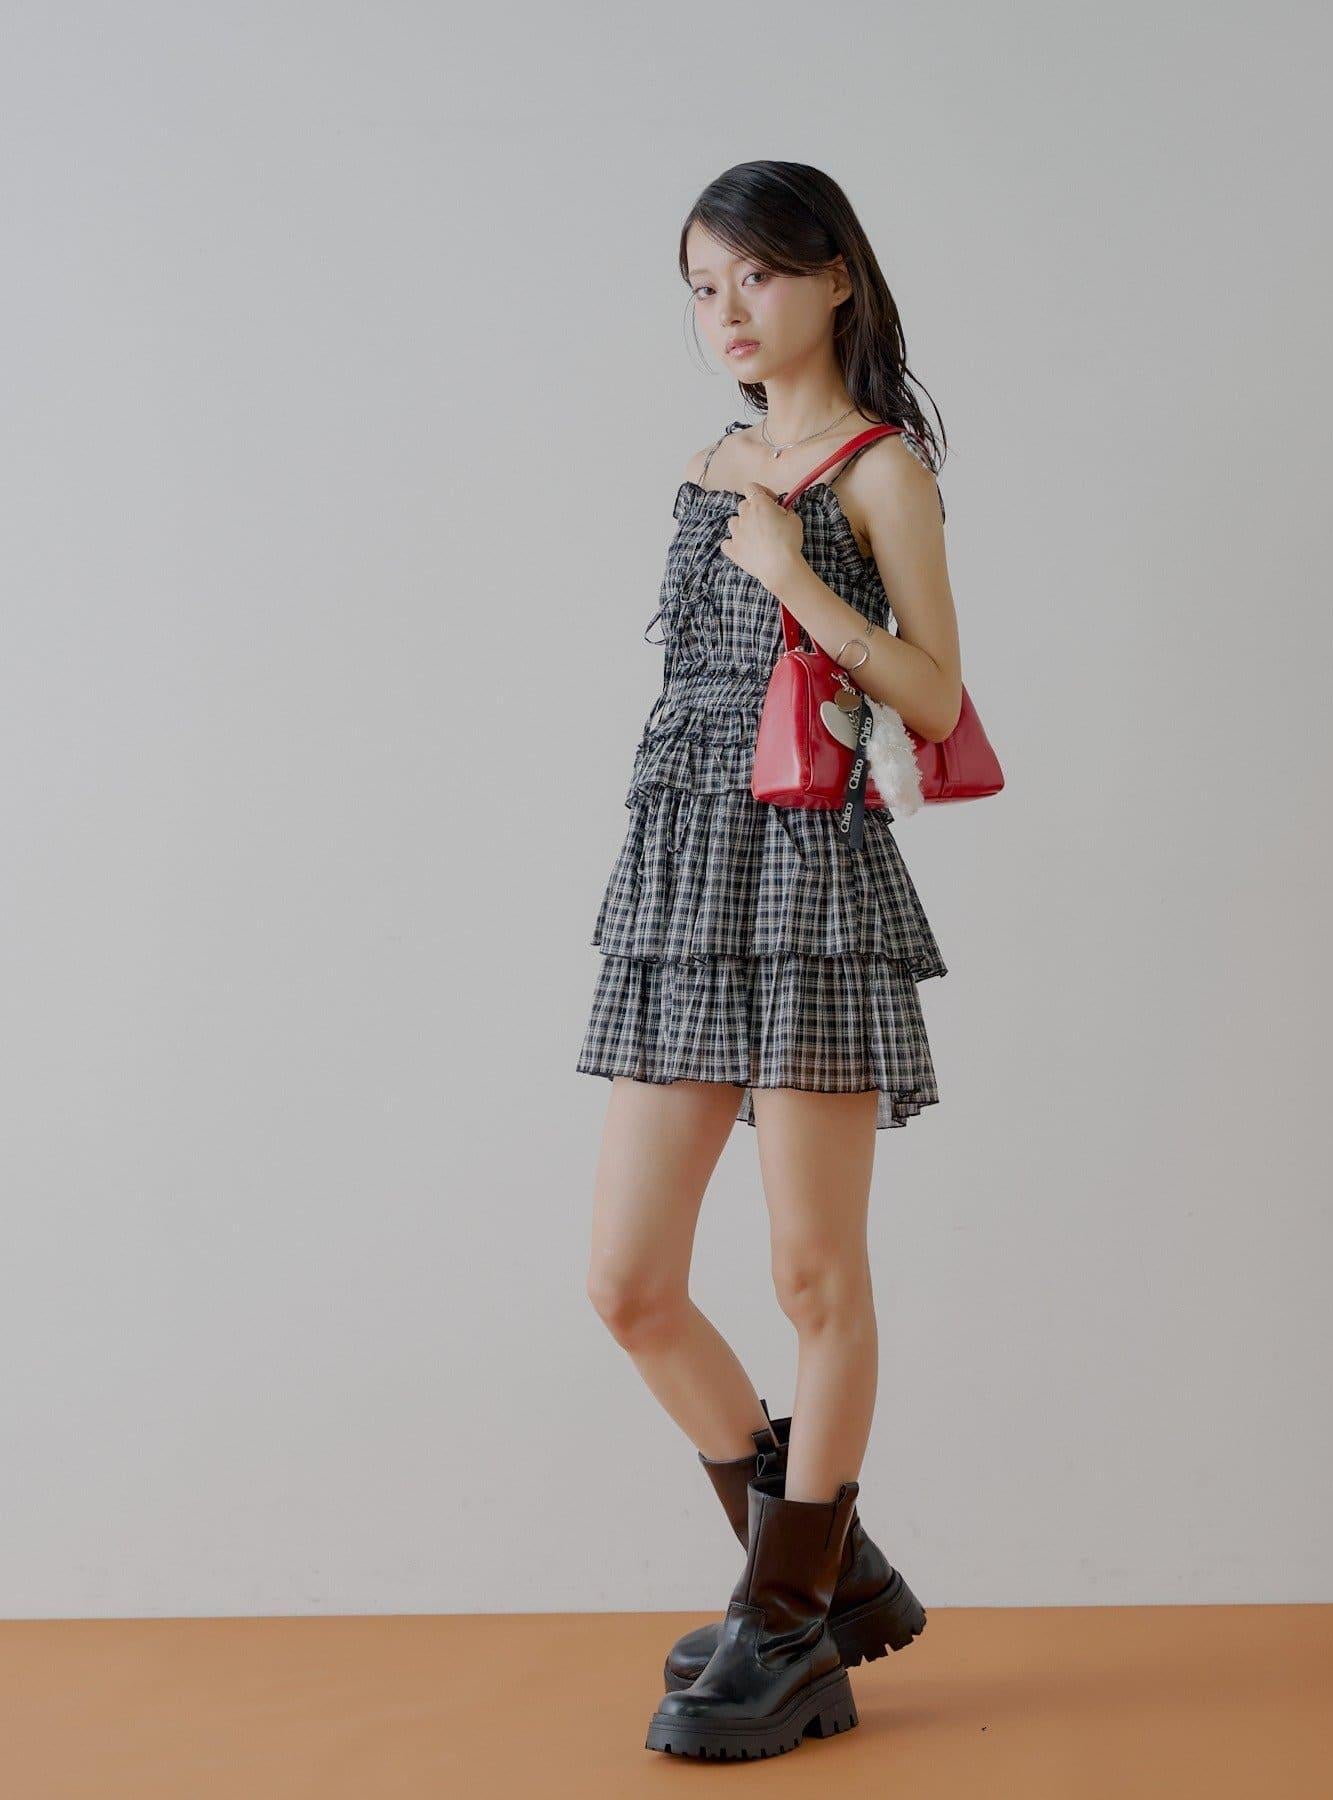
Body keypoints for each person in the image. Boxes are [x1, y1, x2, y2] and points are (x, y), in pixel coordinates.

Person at [576, 160, 964, 1761]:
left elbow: (935, 701)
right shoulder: (706, 468)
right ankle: (818, 1575)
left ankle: (786, 1623)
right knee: (628, 1284)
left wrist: (796, 572)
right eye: (701, 285)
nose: (725, 312)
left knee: (815, 1276)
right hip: (683, 879)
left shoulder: (881, 473)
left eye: (755, 276)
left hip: (810, 881)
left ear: (835, 279)